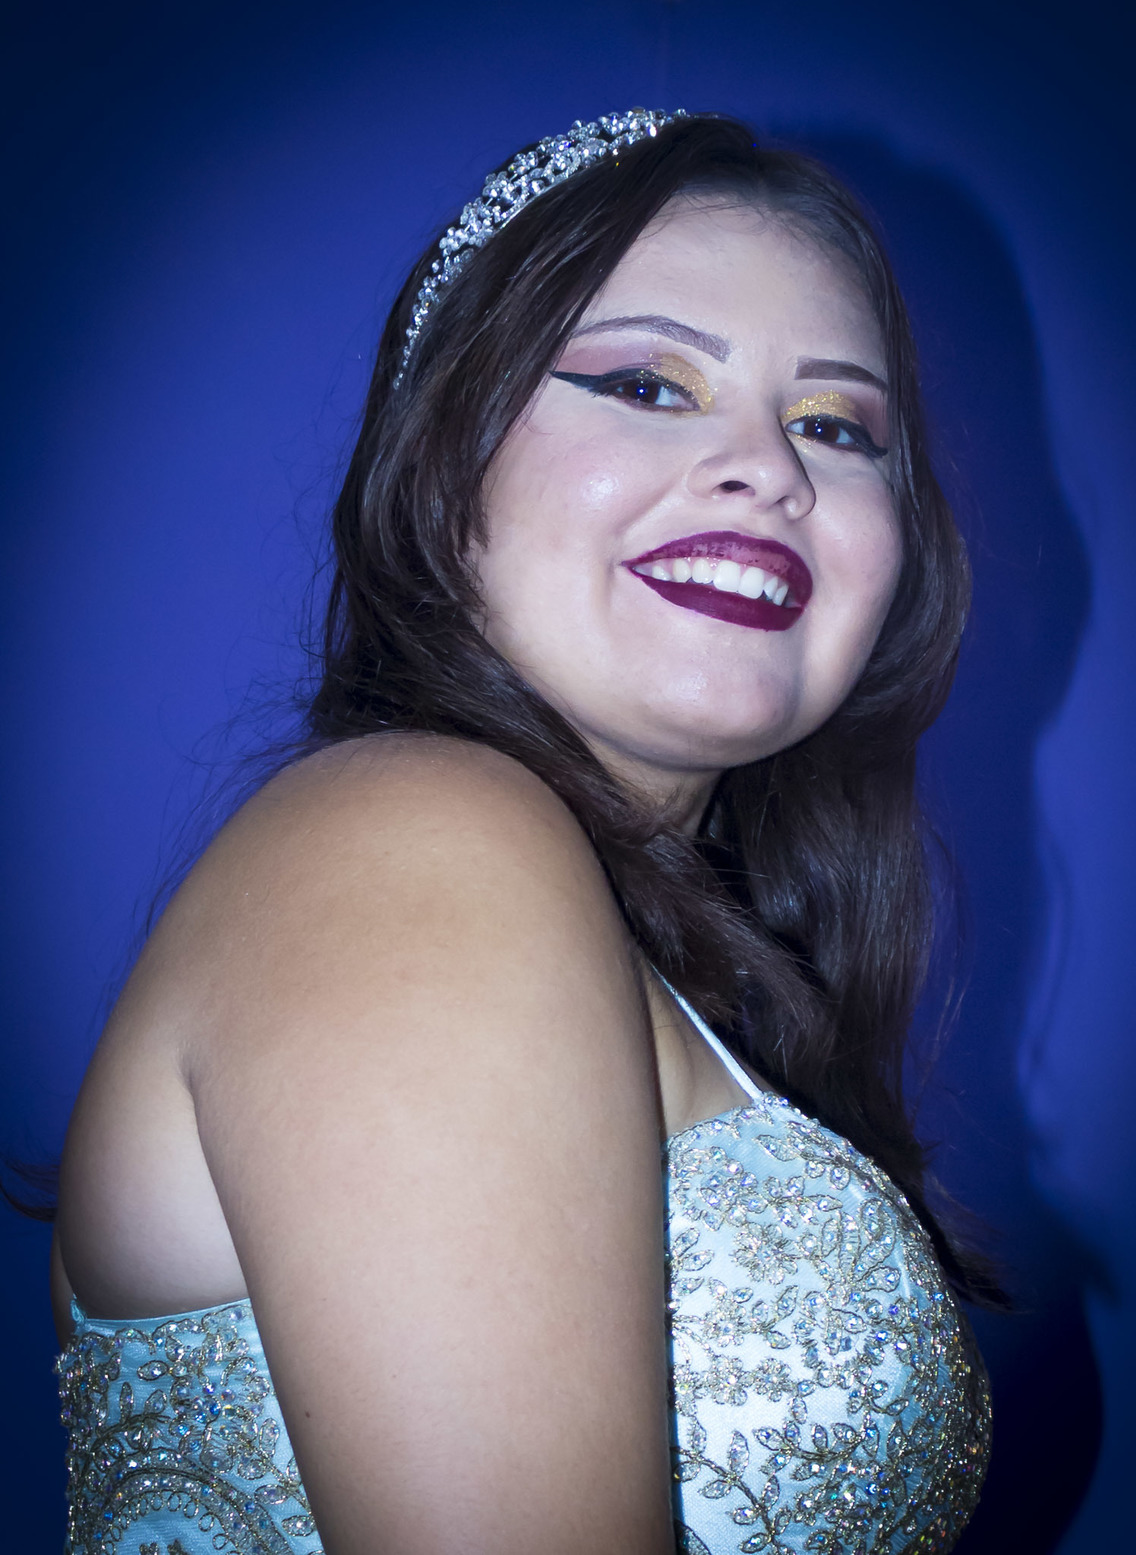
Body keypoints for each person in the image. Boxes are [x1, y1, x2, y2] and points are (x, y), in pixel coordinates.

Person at [51, 109, 994, 1554]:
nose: (771, 469)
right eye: (649, 384)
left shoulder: (637, 945)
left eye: (835, 426)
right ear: (447, 457)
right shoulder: (416, 841)